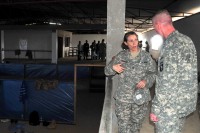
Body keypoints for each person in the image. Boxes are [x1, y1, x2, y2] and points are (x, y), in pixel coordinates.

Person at [150, 10, 198, 133]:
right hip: (183, 104)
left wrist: (156, 108)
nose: (156, 30)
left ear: (158, 25)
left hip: (169, 107)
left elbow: (165, 81)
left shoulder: (170, 45)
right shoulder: (187, 40)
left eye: (154, 27)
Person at [105, 31, 156, 133]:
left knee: (136, 126)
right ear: (125, 43)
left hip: (140, 97)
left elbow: (153, 74)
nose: (134, 43)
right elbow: (107, 71)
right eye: (131, 41)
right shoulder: (121, 56)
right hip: (124, 97)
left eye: (136, 40)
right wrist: (112, 67)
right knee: (123, 125)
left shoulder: (146, 56)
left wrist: (146, 81)